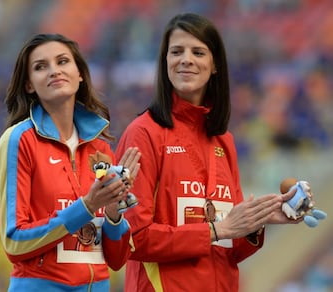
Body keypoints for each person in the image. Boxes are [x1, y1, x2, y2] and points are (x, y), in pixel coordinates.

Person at [115, 13, 301, 292]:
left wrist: (256, 222)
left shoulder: (223, 141)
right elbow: (132, 239)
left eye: (198, 52)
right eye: (176, 51)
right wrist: (216, 230)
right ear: (165, 62)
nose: (186, 59)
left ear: (214, 65)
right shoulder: (143, 134)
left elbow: (230, 248)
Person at [0, 33, 141, 291]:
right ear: (29, 84)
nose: (54, 71)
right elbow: (14, 242)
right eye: (41, 67)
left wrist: (115, 212)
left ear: (80, 73)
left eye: (62, 61)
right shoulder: (18, 140)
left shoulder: (101, 148)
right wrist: (87, 205)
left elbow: (116, 260)